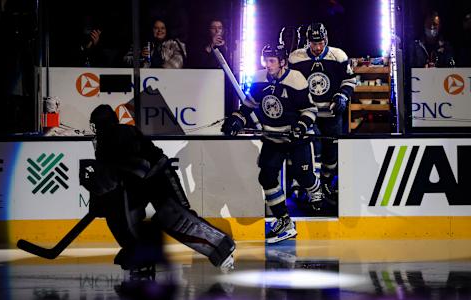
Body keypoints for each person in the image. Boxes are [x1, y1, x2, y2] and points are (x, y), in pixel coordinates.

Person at [80, 104, 235, 271]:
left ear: (102, 123)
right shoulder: (108, 139)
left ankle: (223, 248)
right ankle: (140, 253)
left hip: (159, 176)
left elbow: (139, 166)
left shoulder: (120, 135)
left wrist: (116, 181)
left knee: (176, 217)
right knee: (122, 217)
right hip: (140, 182)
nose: (95, 129)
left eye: (96, 124)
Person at [221, 44, 321, 244]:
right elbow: (249, 105)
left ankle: (315, 189)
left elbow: (310, 110)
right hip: (273, 138)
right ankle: (284, 221)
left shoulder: (295, 79)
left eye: (272, 61)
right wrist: (237, 119)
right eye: (265, 60)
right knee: (266, 177)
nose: (267, 65)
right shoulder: (259, 78)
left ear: (282, 62)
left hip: (297, 139)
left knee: (304, 177)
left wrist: (300, 126)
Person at [288, 22, 356, 205]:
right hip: (308, 114)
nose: (317, 47)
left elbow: (350, 80)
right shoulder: (296, 58)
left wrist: (342, 95)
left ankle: (325, 183)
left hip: (332, 113)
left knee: (331, 153)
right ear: (307, 41)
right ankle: (312, 187)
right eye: (313, 43)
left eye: (320, 43)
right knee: (313, 150)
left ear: (326, 39)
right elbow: (288, 83)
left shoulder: (338, 55)